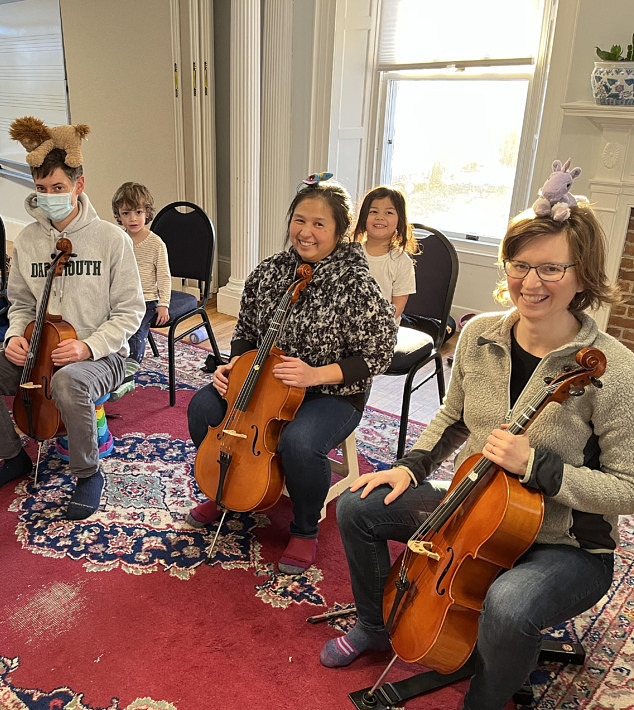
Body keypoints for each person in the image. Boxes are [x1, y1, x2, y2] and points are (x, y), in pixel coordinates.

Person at [321, 197, 634, 710]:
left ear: (584, 276)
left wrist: (540, 467)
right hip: (479, 507)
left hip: (567, 542)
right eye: (520, 265)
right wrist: (411, 466)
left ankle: (485, 699)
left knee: (508, 605)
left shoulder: (613, 370)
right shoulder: (479, 334)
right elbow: (452, 418)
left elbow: (628, 488)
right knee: (359, 507)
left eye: (552, 267)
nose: (531, 282)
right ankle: (376, 627)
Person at [186, 176, 397, 574]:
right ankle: (225, 489)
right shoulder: (269, 272)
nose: (306, 232)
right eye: (299, 220)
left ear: (339, 231)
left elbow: (378, 354)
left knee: (300, 442)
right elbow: (246, 332)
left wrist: (315, 374)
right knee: (202, 407)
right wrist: (233, 367)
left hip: (333, 391)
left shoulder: (356, 283)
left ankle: (303, 529)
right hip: (265, 384)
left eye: (319, 224)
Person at [0, 128, 145, 520]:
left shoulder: (112, 239)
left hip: (102, 355)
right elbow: (20, 303)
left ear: (78, 185)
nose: (49, 196)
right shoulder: (27, 241)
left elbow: (131, 311)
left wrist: (88, 347)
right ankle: (13, 458)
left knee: (69, 380)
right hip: (39, 347)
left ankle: (88, 473)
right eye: (42, 187)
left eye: (58, 186)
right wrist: (13, 336)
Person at [109, 181, 171, 401]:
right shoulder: (116, 240)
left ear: (147, 213)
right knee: (110, 327)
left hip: (147, 300)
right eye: (126, 213)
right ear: (119, 215)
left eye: (138, 212)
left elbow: (164, 276)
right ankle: (110, 366)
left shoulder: (156, 244)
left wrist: (164, 303)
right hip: (120, 297)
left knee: (136, 330)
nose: (133, 219)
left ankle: (129, 372)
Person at [352, 186, 417, 323]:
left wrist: (380, 323)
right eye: (373, 211)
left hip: (383, 328)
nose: (380, 217)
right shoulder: (351, 253)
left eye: (389, 213)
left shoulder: (402, 261)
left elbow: (399, 303)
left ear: (399, 220)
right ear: (364, 217)